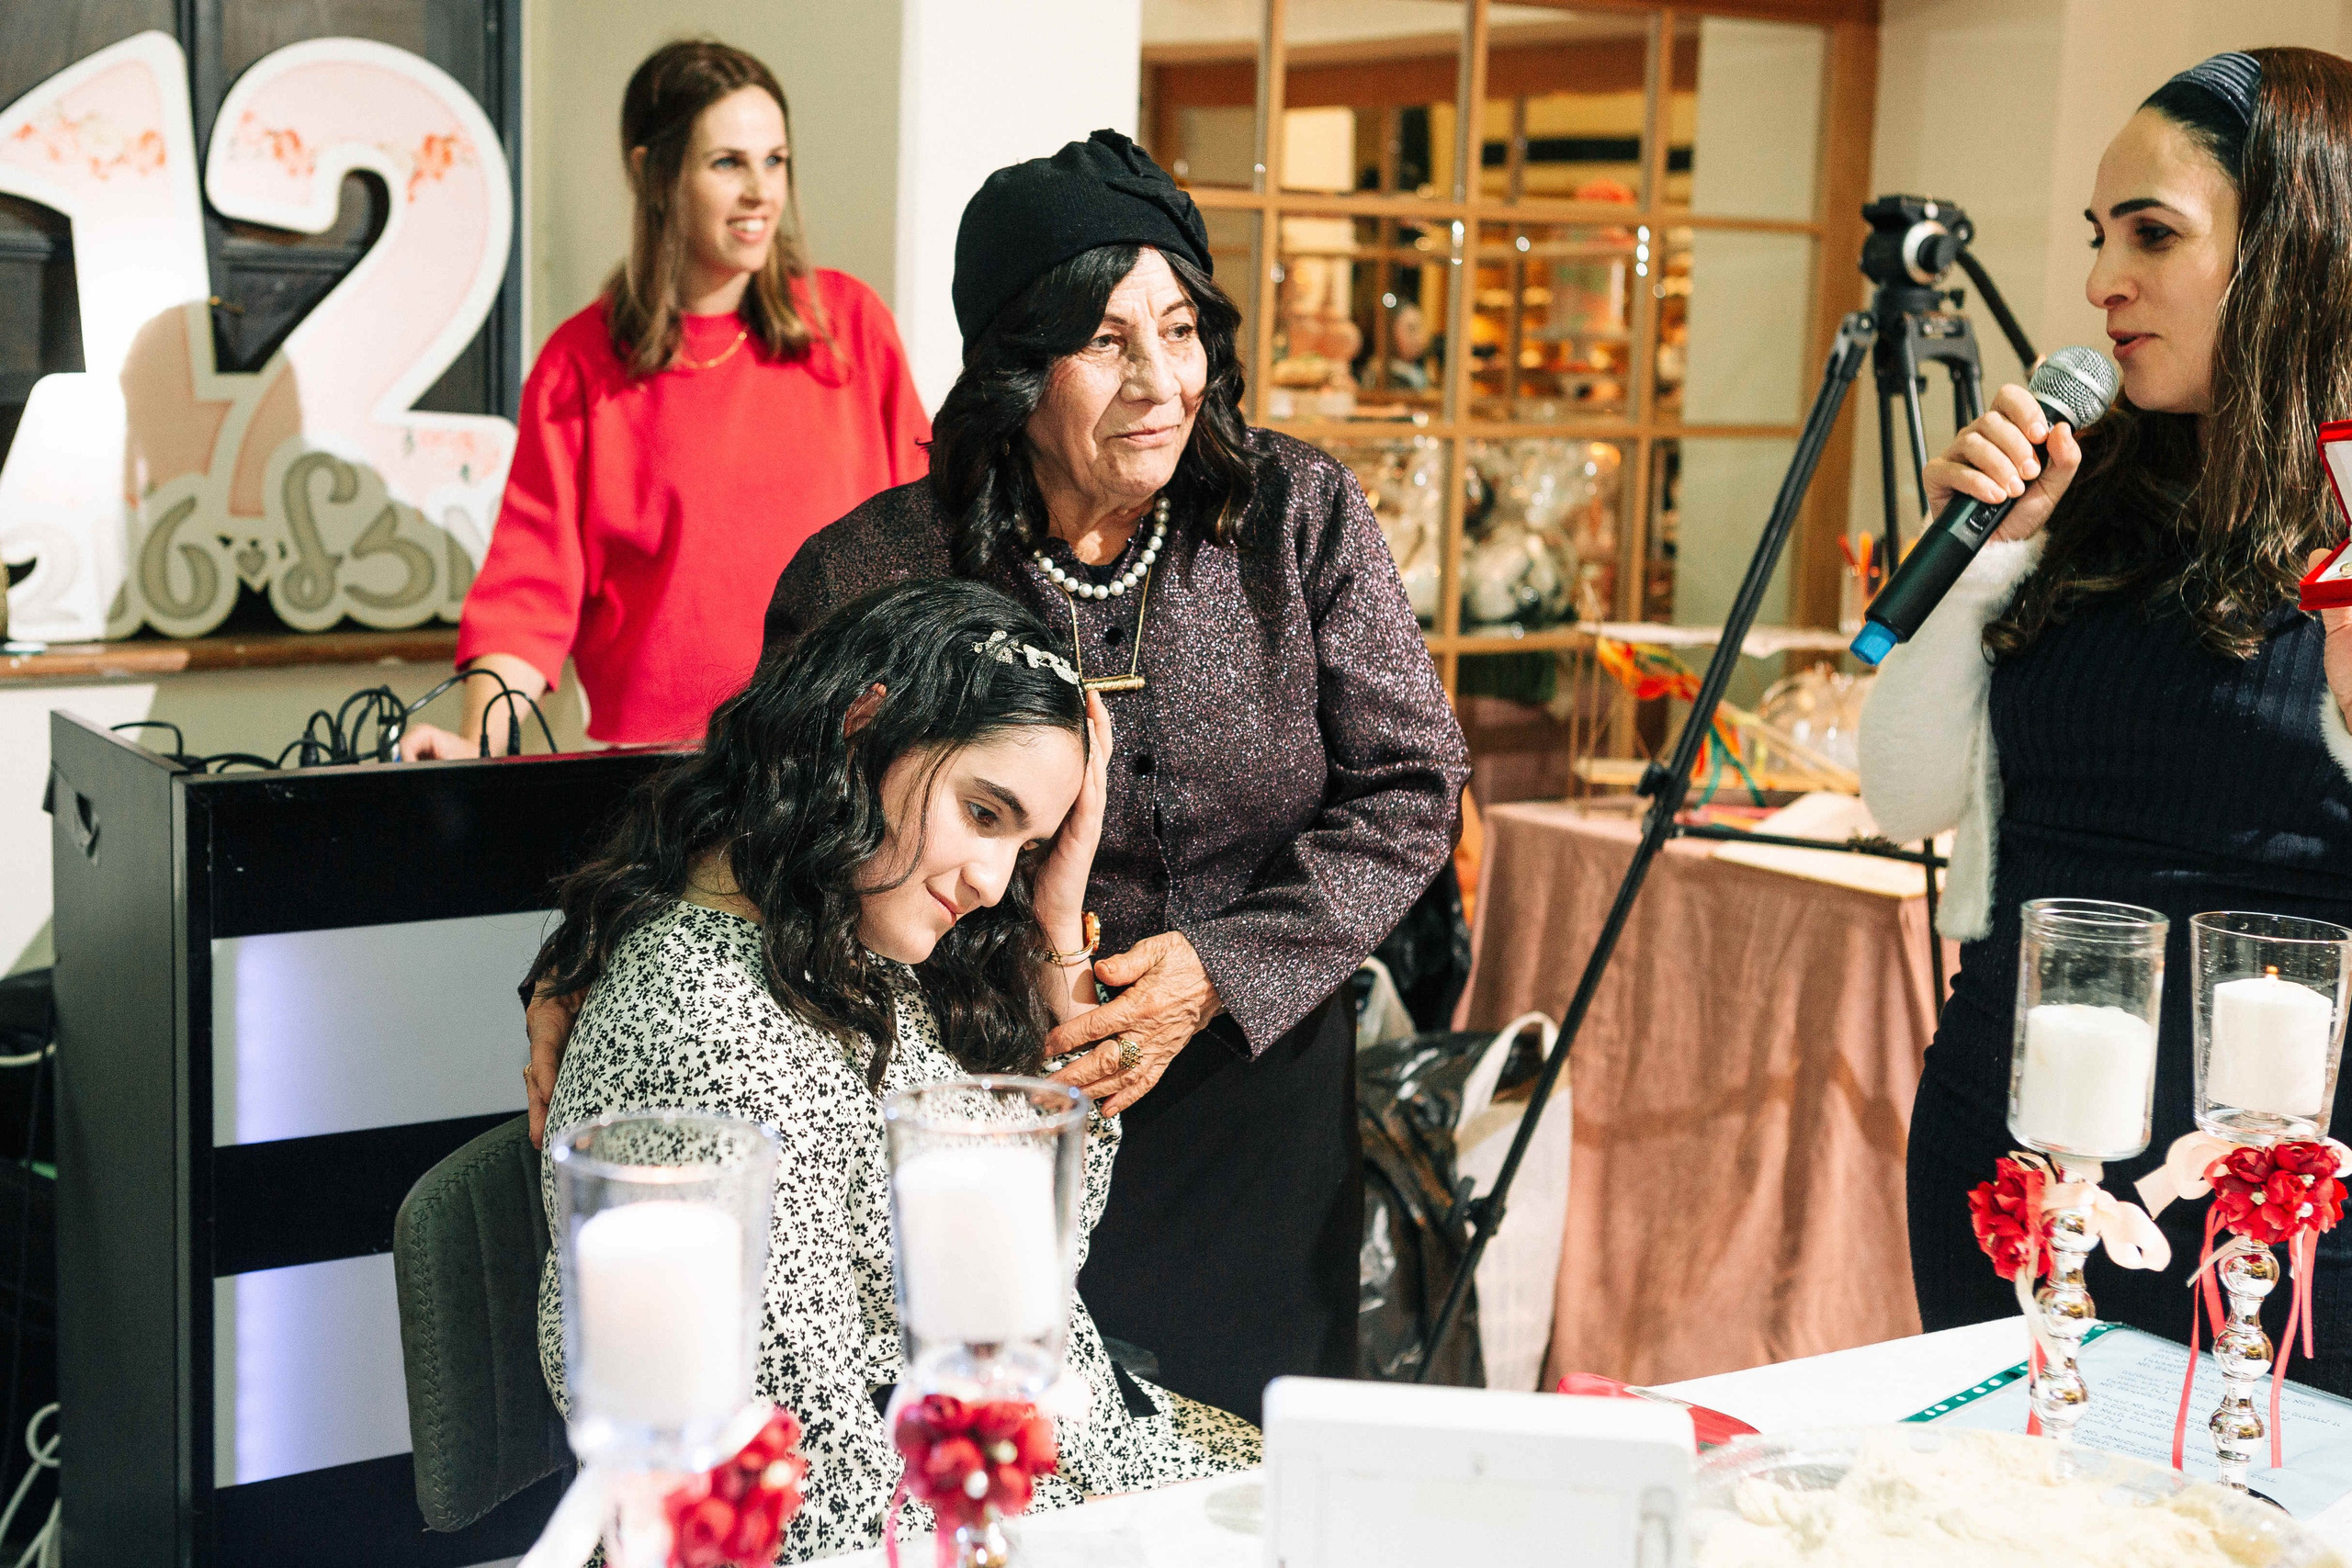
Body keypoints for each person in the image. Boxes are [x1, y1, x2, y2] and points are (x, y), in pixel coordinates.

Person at [754, 130, 1467, 1424]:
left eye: (1182, 329)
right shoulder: (878, 572)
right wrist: (576, 965)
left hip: (1261, 1113)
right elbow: (756, 831)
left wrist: (1219, 967)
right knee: (1018, 1472)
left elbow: (1413, 784)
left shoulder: (1293, 517)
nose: (1162, 380)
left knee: (1255, 1477)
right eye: (1107, 341)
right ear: (1018, 369)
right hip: (982, 1124)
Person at [530, 578, 1258, 1562]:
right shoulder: (699, 1028)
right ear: (862, 726)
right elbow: (801, 1479)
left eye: (1028, 844)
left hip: (1046, 1474)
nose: (992, 881)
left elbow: (1044, 1259)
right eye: (983, 812)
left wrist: (1058, 923)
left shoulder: (851, 942)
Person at [1860, 49, 2352, 1390]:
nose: (2099, 284)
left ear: (2296, 250)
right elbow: (1904, 799)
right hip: (2012, 1150)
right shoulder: (2077, 498)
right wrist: (1983, 557)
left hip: (2275, 1193)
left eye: (2153, 233)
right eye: (2099, 235)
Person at [406, 39, 926, 756]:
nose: (761, 192)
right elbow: (528, 599)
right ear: (654, 175)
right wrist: (477, 746)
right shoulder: (579, 366)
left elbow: (930, 536)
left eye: (774, 161)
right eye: (728, 164)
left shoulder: (848, 327)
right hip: (669, 785)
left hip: (850, 765)